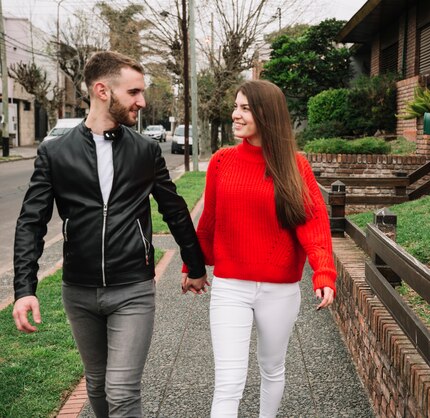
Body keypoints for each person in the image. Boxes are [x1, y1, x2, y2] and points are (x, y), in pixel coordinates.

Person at [13, 50, 208, 417]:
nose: (142, 101)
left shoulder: (145, 151)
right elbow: (31, 222)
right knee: (98, 385)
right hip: (79, 292)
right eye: (134, 92)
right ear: (103, 90)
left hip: (132, 288)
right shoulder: (55, 153)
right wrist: (25, 289)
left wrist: (194, 265)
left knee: (121, 390)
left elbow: (175, 211)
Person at [181, 79, 337, 417]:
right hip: (230, 287)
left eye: (244, 108)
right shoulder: (222, 162)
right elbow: (209, 220)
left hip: (280, 290)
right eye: (235, 107)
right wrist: (192, 268)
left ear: (266, 114)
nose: (235, 115)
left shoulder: (295, 166)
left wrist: (323, 272)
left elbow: (313, 223)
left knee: (272, 368)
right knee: (229, 382)